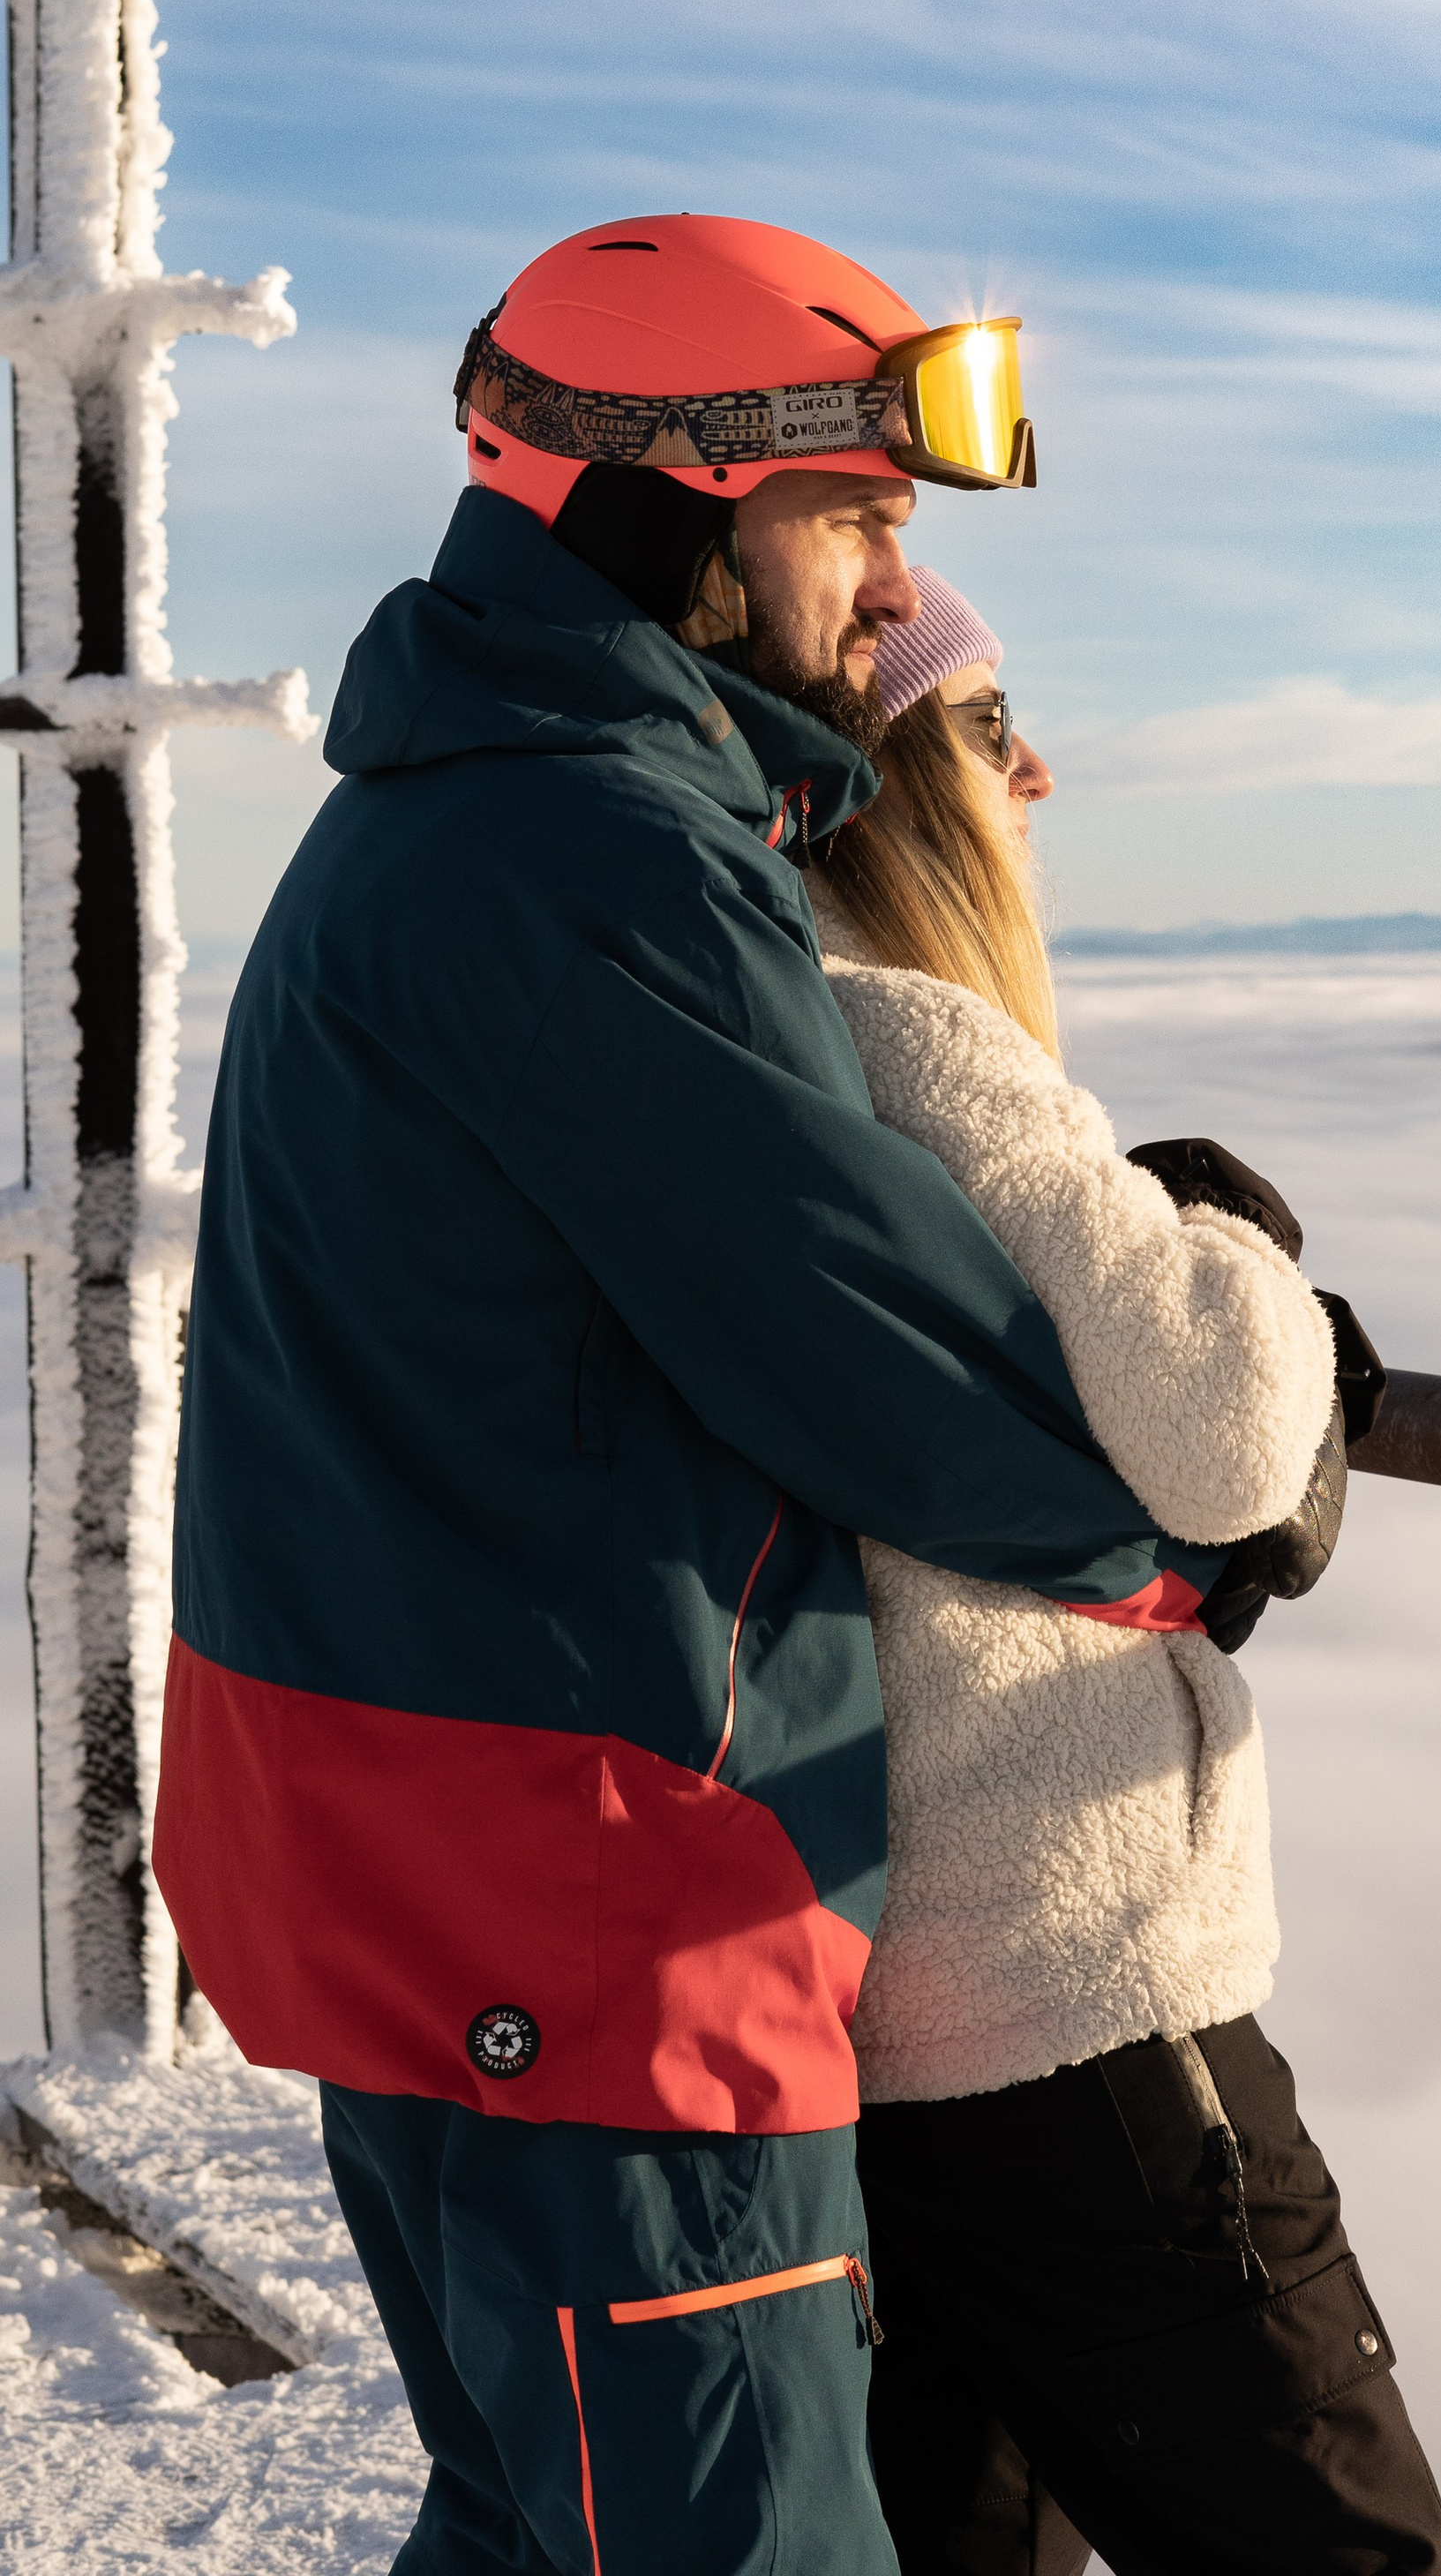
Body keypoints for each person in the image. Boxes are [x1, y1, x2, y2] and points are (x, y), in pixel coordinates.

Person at [152, 214, 1232, 2576]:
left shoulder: (438, 812)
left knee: (541, 2514)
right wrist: (1194, 1531)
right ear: (672, 503)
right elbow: (876, 1341)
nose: (884, 591)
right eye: (858, 514)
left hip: (417, 1852)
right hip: (591, 1894)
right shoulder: (591, 853)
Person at [805, 567, 1441, 2576]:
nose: (1040, 775)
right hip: (1066, 2000)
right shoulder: (904, 1031)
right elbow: (1231, 1438)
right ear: (901, 776)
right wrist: (1242, 1251)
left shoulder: (728, 1027)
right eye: (994, 731)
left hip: (873, 2018)